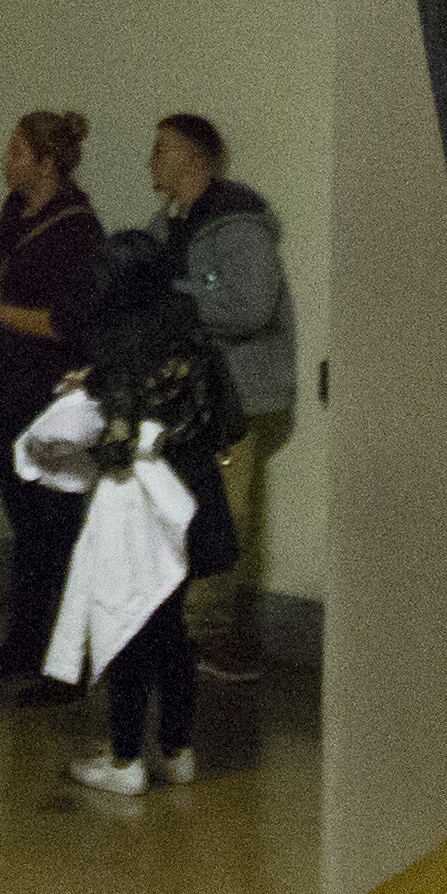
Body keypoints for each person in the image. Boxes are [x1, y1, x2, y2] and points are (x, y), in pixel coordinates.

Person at [45, 231, 245, 798]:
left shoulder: (116, 336)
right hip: (194, 492)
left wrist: (89, 397)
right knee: (172, 629)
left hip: (140, 506)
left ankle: (125, 756)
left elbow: (115, 443)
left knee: (129, 626)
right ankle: (179, 749)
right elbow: (227, 418)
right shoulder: (190, 324)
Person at [0, 111, 107, 700]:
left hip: (48, 395)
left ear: (47, 160)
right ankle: (22, 646)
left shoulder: (77, 231)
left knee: (53, 527)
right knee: (27, 528)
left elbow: (72, 324)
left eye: (17, 151)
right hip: (6, 387)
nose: (6, 159)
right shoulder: (15, 210)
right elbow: (3, 281)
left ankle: (63, 667)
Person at [144, 114, 296, 676]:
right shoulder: (167, 226)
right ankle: (178, 630)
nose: (150, 161)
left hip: (234, 400)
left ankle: (209, 636)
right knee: (181, 509)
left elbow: (250, 307)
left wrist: (174, 303)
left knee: (222, 514)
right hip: (189, 398)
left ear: (198, 162)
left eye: (162, 150)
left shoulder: (238, 227)